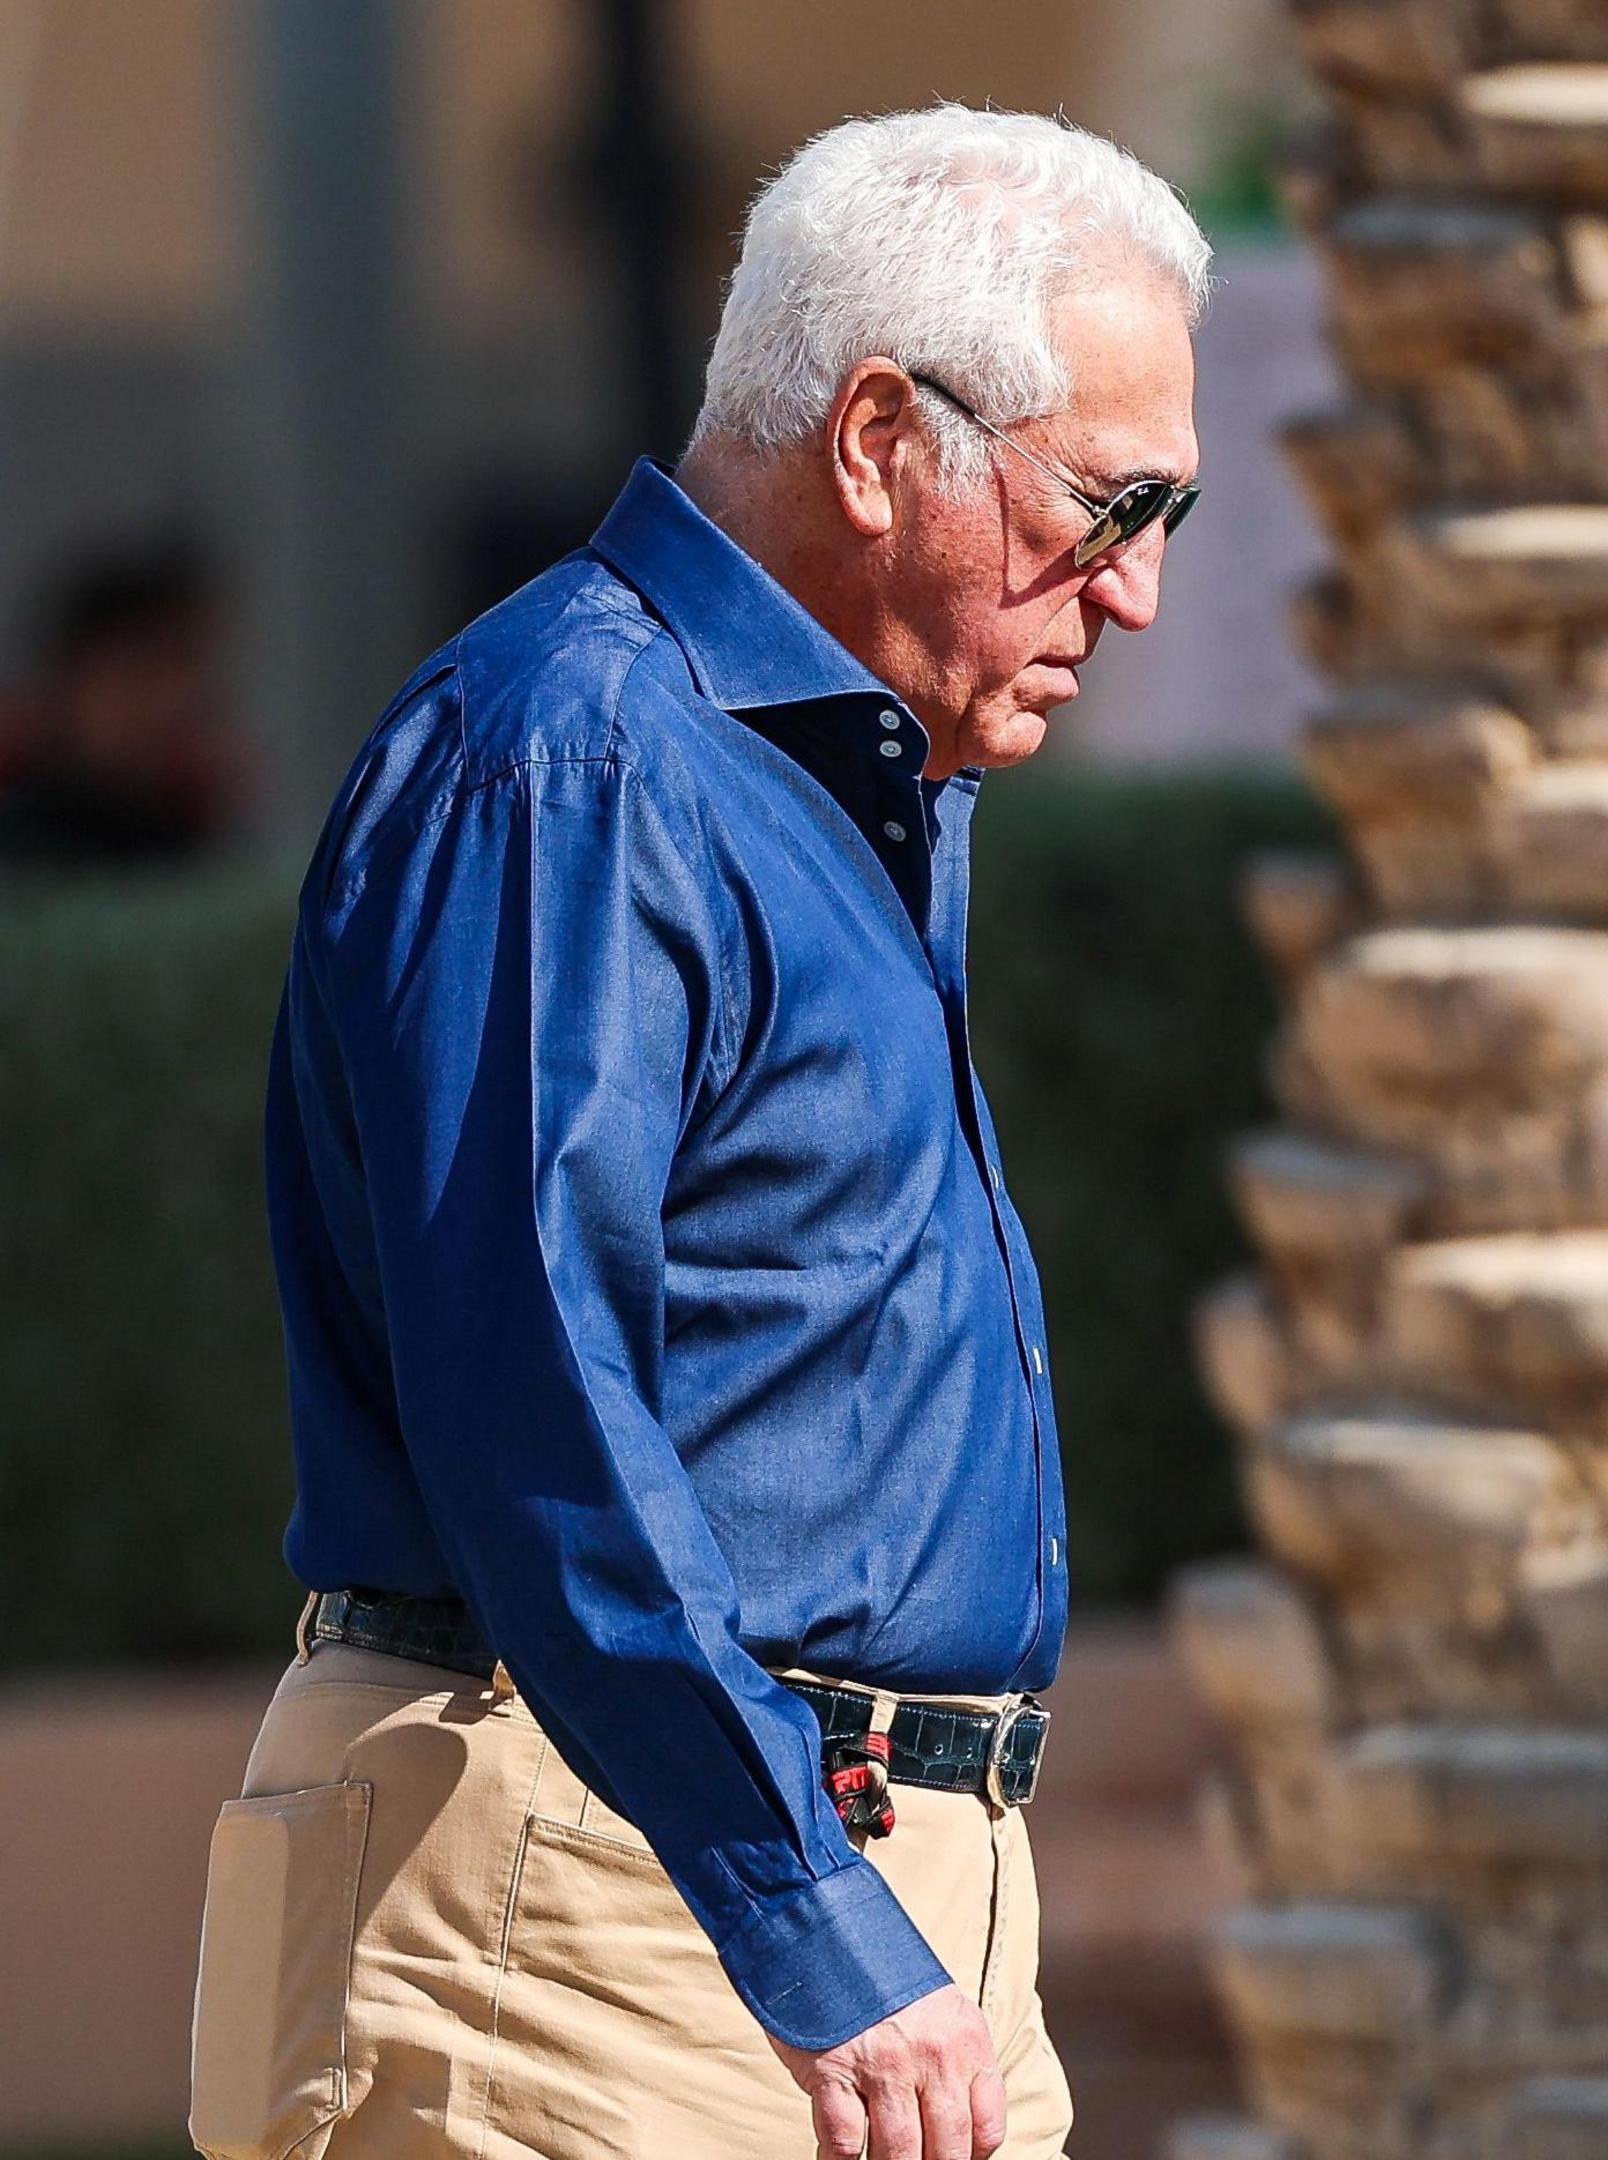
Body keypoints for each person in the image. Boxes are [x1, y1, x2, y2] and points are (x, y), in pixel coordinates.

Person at [191, 106, 1206, 2160]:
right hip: (583, 1899)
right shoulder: (573, 760)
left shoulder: (822, 779)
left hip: (777, 1891)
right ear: (873, 441)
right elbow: (535, 1396)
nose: (1145, 598)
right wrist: (815, 1920)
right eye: (1109, 509)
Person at [0, 551, 237, 864]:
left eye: (174, 673)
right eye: (132, 679)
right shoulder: (20, 849)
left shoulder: (194, 838)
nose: (157, 707)